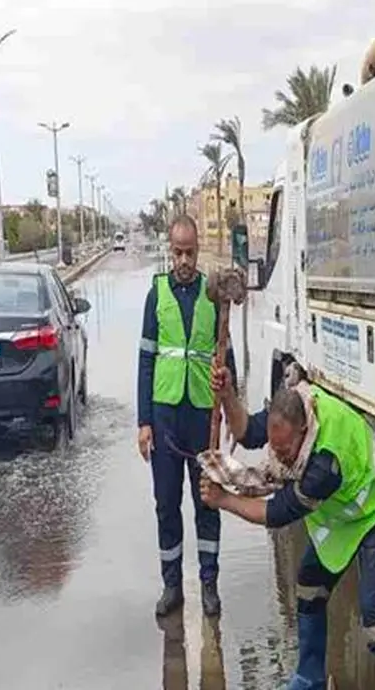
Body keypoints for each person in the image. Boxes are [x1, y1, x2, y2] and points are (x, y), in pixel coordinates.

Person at [201, 361, 375, 690]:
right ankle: (309, 678)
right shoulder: (294, 409)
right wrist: (227, 394)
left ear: (302, 432)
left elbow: (278, 514)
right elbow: (246, 432)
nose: (279, 458)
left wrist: (225, 500)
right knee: (310, 585)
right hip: (344, 517)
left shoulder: (324, 464)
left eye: (284, 451)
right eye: (275, 448)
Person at [138, 213, 236, 618]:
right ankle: (172, 585)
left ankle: (209, 583)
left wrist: (231, 407)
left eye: (190, 253)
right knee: (166, 503)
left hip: (202, 417)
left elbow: (226, 355)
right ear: (169, 251)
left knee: (207, 502)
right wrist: (143, 422)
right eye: (177, 252)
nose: (183, 260)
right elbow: (145, 361)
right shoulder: (156, 294)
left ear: (197, 252)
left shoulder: (212, 296)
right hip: (164, 416)